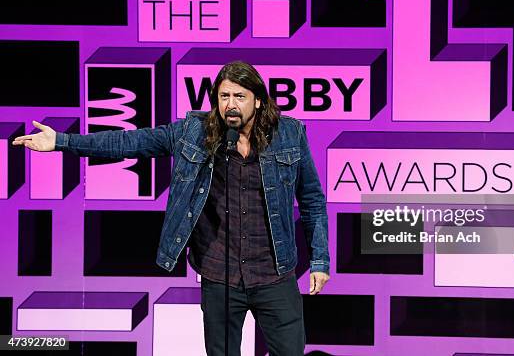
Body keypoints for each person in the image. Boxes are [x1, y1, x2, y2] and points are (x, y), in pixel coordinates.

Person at [12, 61, 331, 356]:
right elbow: (128, 142)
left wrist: (318, 260)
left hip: (275, 273)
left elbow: (312, 200)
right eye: (223, 96)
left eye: (239, 96)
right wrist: (63, 142)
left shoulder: (289, 133)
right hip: (220, 275)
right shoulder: (194, 132)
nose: (230, 104)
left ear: (258, 100)